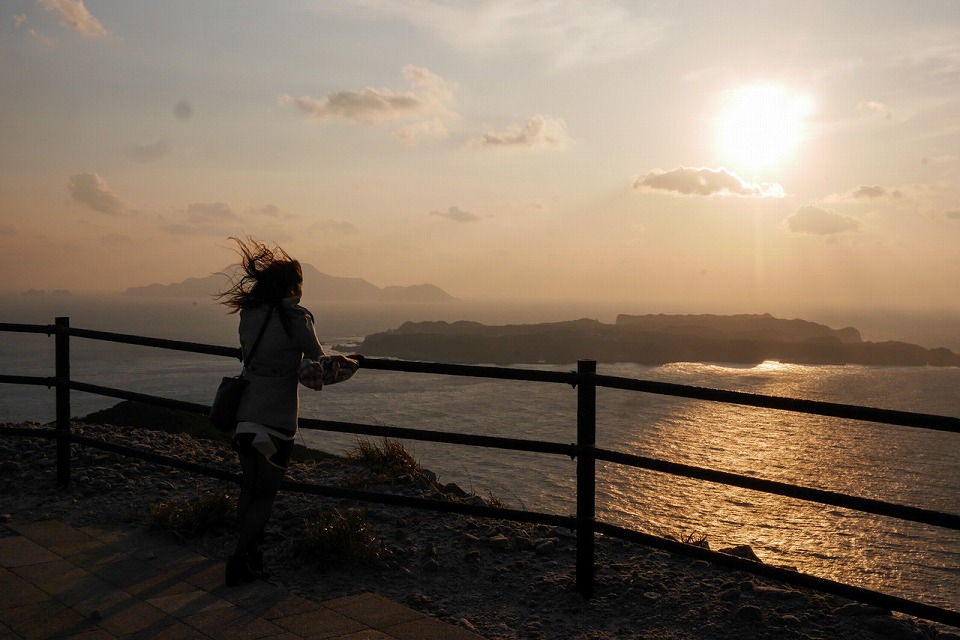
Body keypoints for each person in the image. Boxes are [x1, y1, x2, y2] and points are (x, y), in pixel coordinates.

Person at [216, 236, 325, 586]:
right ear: (293, 286)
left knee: (249, 489)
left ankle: (248, 554)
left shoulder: (249, 316)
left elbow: (249, 354)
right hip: (277, 423)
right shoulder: (297, 318)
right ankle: (239, 561)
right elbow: (318, 361)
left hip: (245, 415)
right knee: (266, 495)